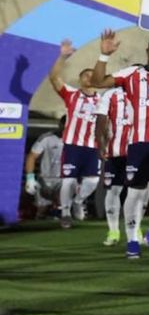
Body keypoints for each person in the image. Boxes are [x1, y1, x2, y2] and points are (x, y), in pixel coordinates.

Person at [92, 34, 149, 259]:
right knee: (135, 192)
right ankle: (132, 239)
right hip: (139, 143)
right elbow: (98, 82)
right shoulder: (132, 74)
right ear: (148, 53)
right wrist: (104, 55)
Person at [47, 41, 102, 229]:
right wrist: (63, 56)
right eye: (85, 75)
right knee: (68, 181)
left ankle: (79, 201)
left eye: (91, 75)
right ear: (80, 80)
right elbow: (54, 77)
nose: (89, 77)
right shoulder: (71, 94)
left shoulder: (103, 100)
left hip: (93, 147)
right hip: (72, 145)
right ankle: (64, 212)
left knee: (93, 181)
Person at [95, 84, 134, 246]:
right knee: (113, 190)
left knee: (138, 191)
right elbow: (101, 120)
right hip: (115, 151)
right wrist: (101, 144)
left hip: (137, 149)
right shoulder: (110, 94)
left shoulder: (146, 90)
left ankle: (135, 230)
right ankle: (113, 231)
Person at [24, 117, 66, 219]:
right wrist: (30, 178)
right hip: (45, 179)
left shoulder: (77, 139)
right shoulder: (46, 138)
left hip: (63, 179)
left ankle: (61, 216)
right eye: (64, 125)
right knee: (42, 209)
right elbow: (32, 156)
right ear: (60, 125)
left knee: (62, 200)